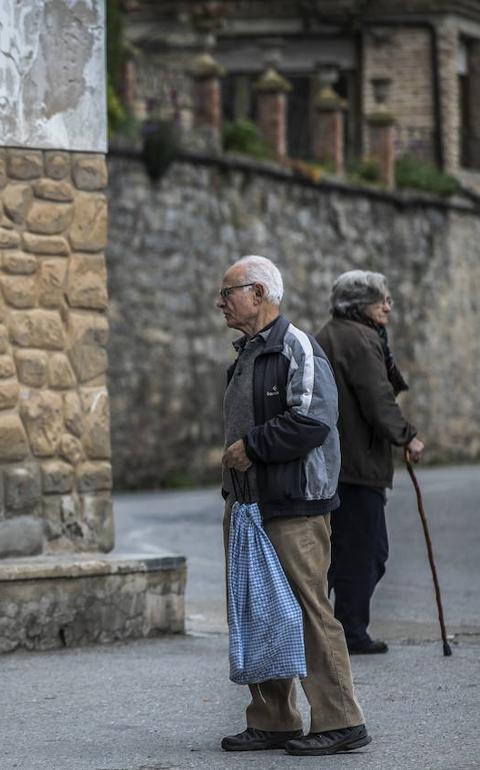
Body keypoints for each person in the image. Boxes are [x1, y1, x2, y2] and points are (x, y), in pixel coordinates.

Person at [215, 255, 370, 756]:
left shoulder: (295, 346)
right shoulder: (249, 352)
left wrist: (251, 447)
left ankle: (341, 720)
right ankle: (274, 719)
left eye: (229, 292)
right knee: (260, 613)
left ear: (259, 294)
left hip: (295, 506)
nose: (221, 302)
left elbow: (313, 421)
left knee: (308, 611)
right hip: (249, 507)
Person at [316, 270, 425, 655]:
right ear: (362, 305)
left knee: (339, 552)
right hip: (357, 466)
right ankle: (350, 632)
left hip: (334, 464)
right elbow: (378, 399)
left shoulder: (330, 333)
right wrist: (407, 435)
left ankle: (325, 628)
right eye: (383, 300)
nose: (389, 306)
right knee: (367, 552)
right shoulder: (360, 340)